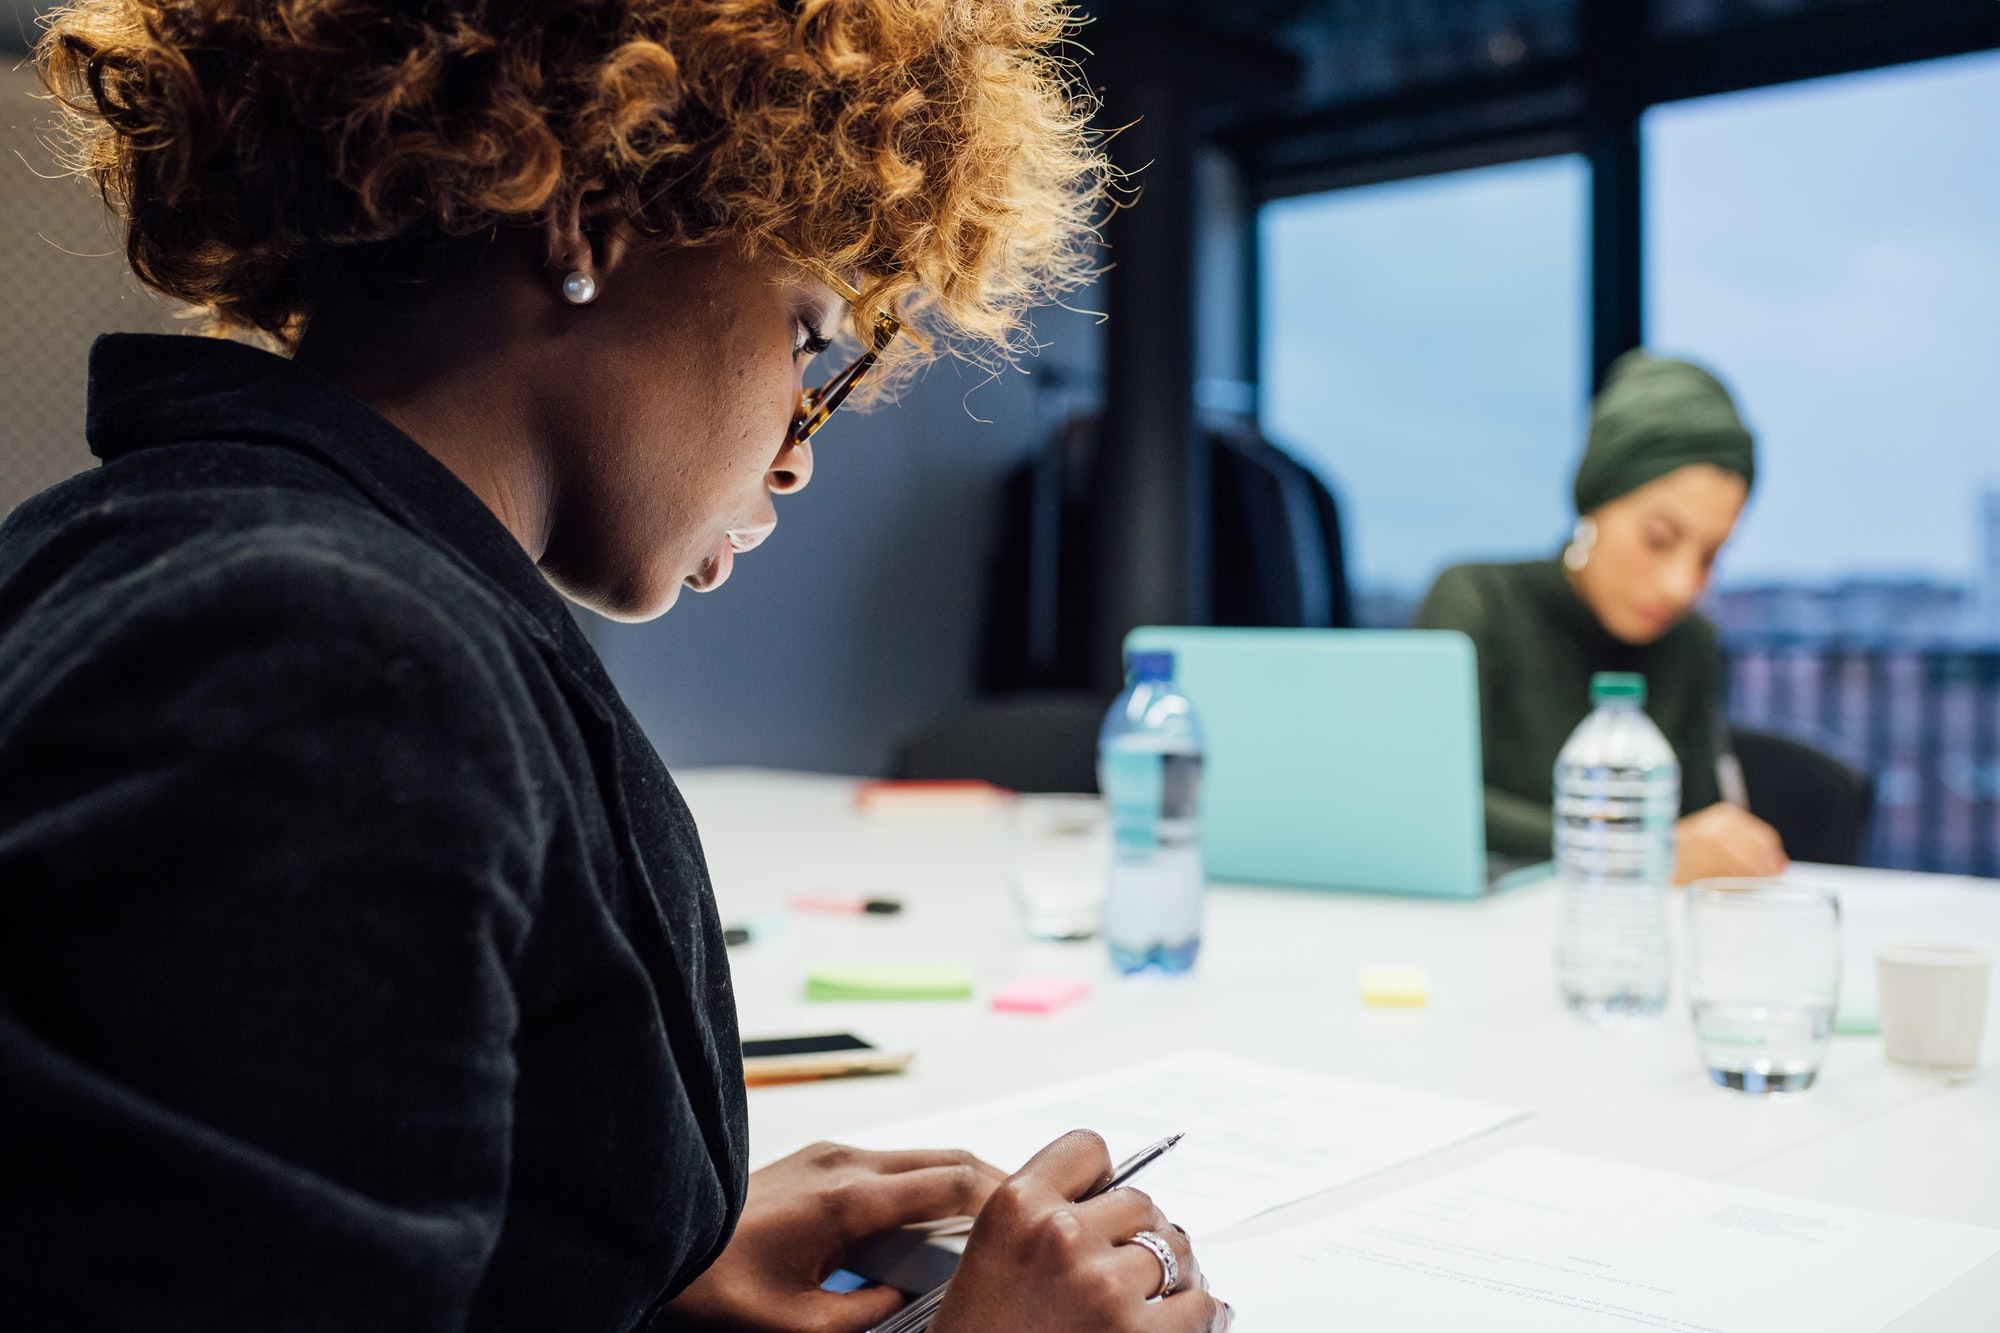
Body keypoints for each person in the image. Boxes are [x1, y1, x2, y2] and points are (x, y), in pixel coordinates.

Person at [0, 2, 1227, 1331]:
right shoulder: (324, 657)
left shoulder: (225, 555)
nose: (799, 450)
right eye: (808, 335)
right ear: (590, 224)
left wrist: (621, 1277)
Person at [1417, 351, 1788, 885]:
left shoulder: (1690, 644)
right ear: (1594, 501)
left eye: (1711, 556)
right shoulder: (1479, 601)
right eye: (1658, 539)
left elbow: (1699, 835)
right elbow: (1434, 806)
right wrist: (1635, 851)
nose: (1682, 586)